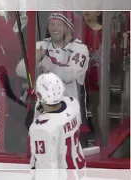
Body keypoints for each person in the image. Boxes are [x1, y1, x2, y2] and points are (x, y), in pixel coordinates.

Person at [35, 11, 90, 147]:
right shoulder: (41, 45)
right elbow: (20, 70)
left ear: (68, 27)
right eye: (51, 24)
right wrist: (35, 62)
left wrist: (43, 61)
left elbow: (69, 74)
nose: (54, 28)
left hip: (72, 121)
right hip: (44, 117)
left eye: (59, 24)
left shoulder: (80, 49)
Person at [29, 72, 86, 169]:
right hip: (79, 171)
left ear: (39, 94)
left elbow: (47, 171)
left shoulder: (42, 129)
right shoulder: (73, 103)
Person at [81, 11, 103, 145]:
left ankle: (100, 139)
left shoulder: (106, 33)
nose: (86, 10)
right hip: (81, 79)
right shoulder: (79, 29)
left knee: (96, 110)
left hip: (97, 79)